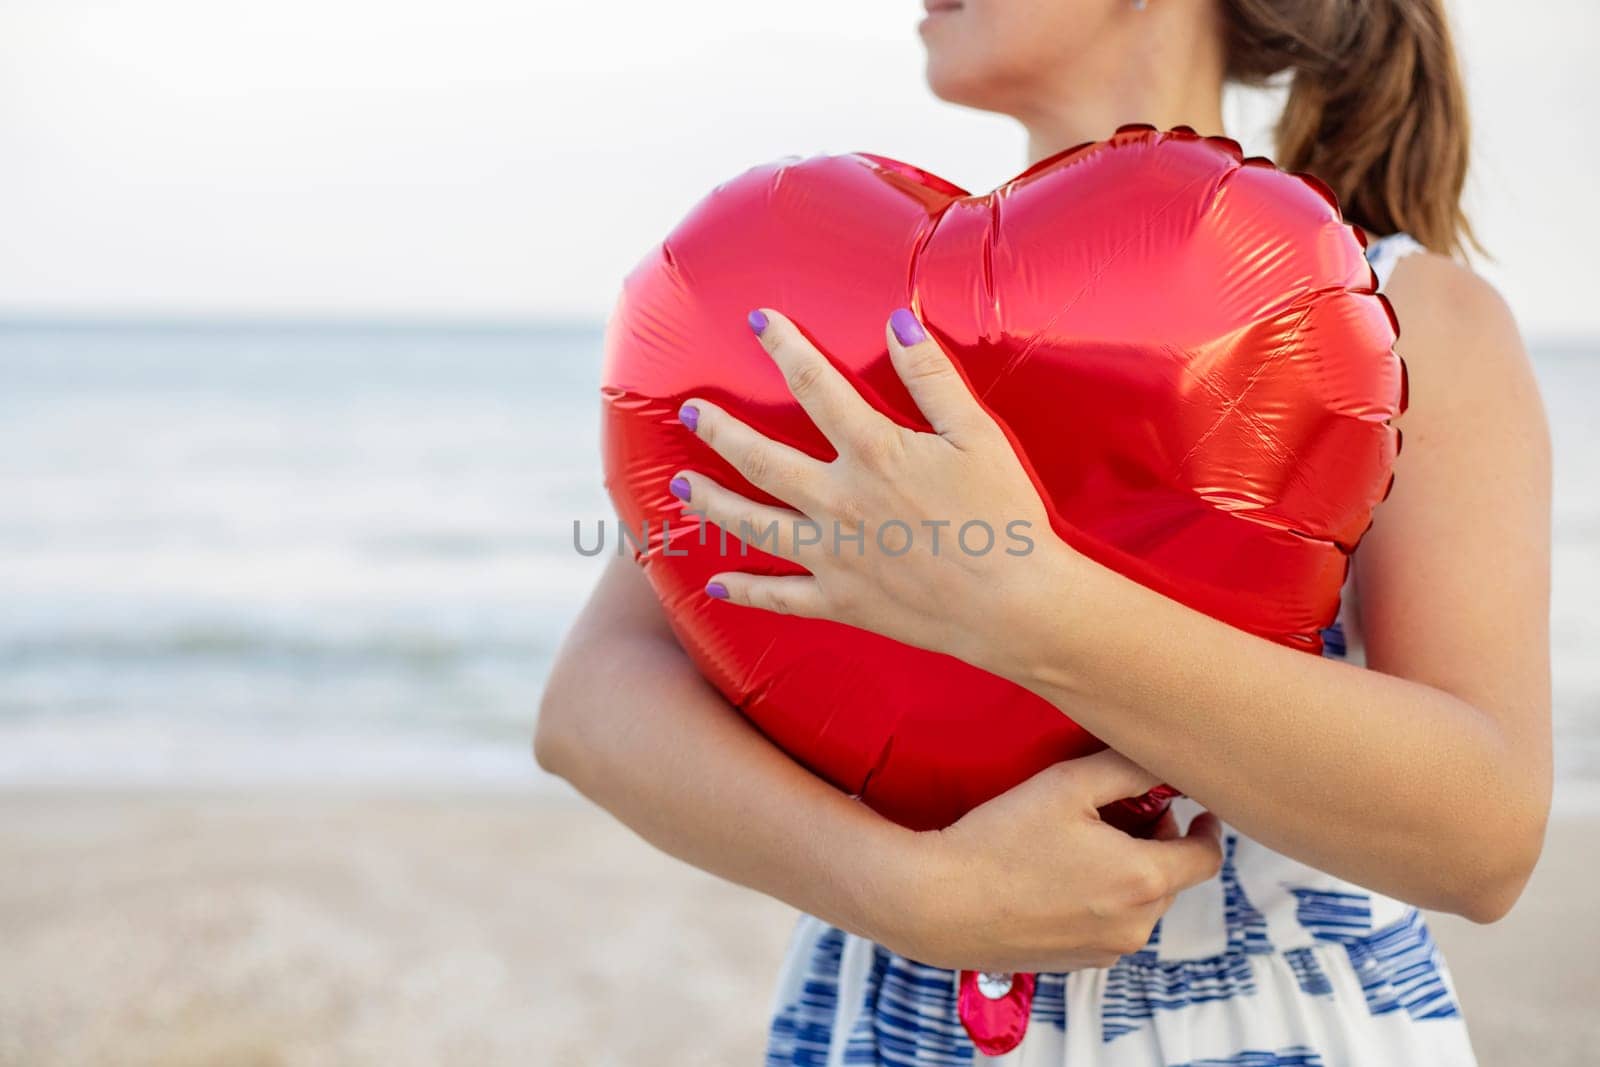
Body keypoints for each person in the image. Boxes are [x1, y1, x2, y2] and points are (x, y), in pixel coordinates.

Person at [536, 0, 1552, 1063]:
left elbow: (1484, 841)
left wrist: (1027, 603)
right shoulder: (850, 309)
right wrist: (908, 888)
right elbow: (592, 700)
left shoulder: (1402, 313)